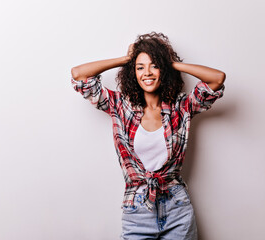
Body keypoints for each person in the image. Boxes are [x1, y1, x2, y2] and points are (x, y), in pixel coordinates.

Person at [71, 32, 225, 240]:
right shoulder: (120, 106)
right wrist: (126, 59)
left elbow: (217, 79)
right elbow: (79, 74)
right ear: (132, 73)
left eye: (154, 65)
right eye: (140, 67)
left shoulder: (182, 107)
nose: (147, 73)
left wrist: (170, 63)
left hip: (177, 207)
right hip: (137, 210)